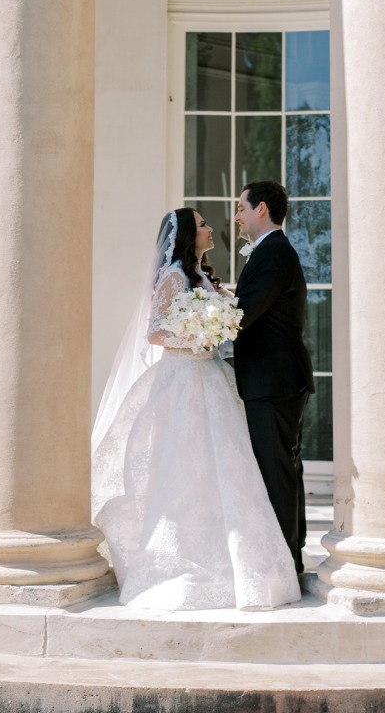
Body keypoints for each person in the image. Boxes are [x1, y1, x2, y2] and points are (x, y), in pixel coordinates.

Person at [91, 207, 300, 611]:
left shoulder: (203, 276)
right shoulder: (173, 276)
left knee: (226, 469)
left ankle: (242, 565)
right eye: (203, 224)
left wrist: (214, 331)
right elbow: (156, 331)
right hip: (183, 380)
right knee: (185, 471)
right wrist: (198, 336)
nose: (210, 228)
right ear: (188, 235)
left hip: (212, 380)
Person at [233, 181, 315, 577]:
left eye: (241, 208)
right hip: (273, 378)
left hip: (274, 380)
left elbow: (244, 313)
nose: (236, 216)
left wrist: (204, 319)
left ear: (261, 209)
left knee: (277, 470)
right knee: (284, 468)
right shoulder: (269, 253)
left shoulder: (274, 254)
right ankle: (291, 555)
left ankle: (285, 562)